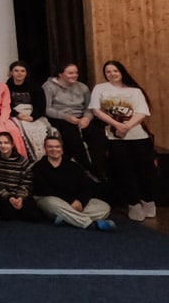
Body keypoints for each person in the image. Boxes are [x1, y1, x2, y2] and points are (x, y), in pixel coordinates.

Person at [89, 60, 158, 222]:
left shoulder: (134, 91)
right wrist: (117, 125)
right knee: (125, 171)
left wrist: (127, 126)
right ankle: (133, 203)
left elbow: (142, 112)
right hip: (115, 138)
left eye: (115, 71)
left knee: (145, 170)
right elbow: (96, 110)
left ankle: (148, 201)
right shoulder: (100, 88)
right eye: (108, 71)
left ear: (122, 72)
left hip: (138, 136)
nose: (112, 74)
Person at [32, 134, 115, 230]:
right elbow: (44, 189)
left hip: (74, 202)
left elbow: (86, 186)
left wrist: (81, 202)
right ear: (45, 149)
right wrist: (70, 201)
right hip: (51, 200)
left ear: (62, 149)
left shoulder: (73, 166)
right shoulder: (39, 167)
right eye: (50, 147)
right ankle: (90, 224)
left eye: (57, 146)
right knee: (51, 203)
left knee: (104, 207)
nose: (54, 149)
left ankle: (65, 218)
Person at [42, 62, 106, 180]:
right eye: (70, 73)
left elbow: (90, 106)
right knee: (72, 136)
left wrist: (87, 118)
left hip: (81, 117)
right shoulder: (49, 86)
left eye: (76, 73)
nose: (74, 75)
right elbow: (47, 109)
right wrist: (66, 117)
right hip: (61, 117)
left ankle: (99, 168)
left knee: (97, 134)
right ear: (60, 74)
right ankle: (87, 169)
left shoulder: (83, 87)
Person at [6, 61, 55, 161]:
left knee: (42, 130)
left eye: (22, 71)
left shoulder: (35, 86)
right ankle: (27, 158)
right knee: (22, 131)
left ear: (26, 73)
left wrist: (32, 117)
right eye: (16, 71)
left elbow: (41, 105)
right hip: (15, 115)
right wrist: (17, 114)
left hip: (32, 114)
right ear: (11, 72)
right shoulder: (6, 87)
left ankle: (43, 157)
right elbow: (6, 105)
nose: (19, 73)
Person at [0, 132, 42, 223]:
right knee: (7, 215)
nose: (3, 146)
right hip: (1, 194)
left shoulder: (22, 161)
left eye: (6, 143)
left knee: (34, 217)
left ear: (12, 144)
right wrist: (8, 197)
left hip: (18, 193)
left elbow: (27, 182)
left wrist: (20, 197)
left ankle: (18, 208)